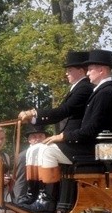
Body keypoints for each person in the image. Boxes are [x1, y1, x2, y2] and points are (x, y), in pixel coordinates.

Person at [19, 49, 112, 213]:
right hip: (92, 147)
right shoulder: (102, 92)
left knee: (46, 151)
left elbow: (90, 129)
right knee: (39, 149)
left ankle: (47, 201)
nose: (87, 73)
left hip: (96, 151)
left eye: (90, 69)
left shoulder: (106, 93)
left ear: (102, 70)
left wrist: (63, 136)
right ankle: (35, 195)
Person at [16, 50, 93, 204]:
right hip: (71, 141)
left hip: (76, 145)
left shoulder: (84, 88)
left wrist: (34, 113)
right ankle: (32, 193)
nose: (67, 74)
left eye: (69, 70)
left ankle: (47, 199)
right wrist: (33, 119)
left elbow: (63, 112)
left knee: (43, 150)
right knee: (33, 149)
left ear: (80, 71)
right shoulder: (78, 88)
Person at [13, 124, 49, 203]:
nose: (38, 139)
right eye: (34, 137)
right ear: (29, 140)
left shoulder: (50, 154)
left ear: (45, 138)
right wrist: (20, 199)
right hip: (29, 198)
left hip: (46, 197)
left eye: (40, 136)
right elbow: (20, 179)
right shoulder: (23, 156)